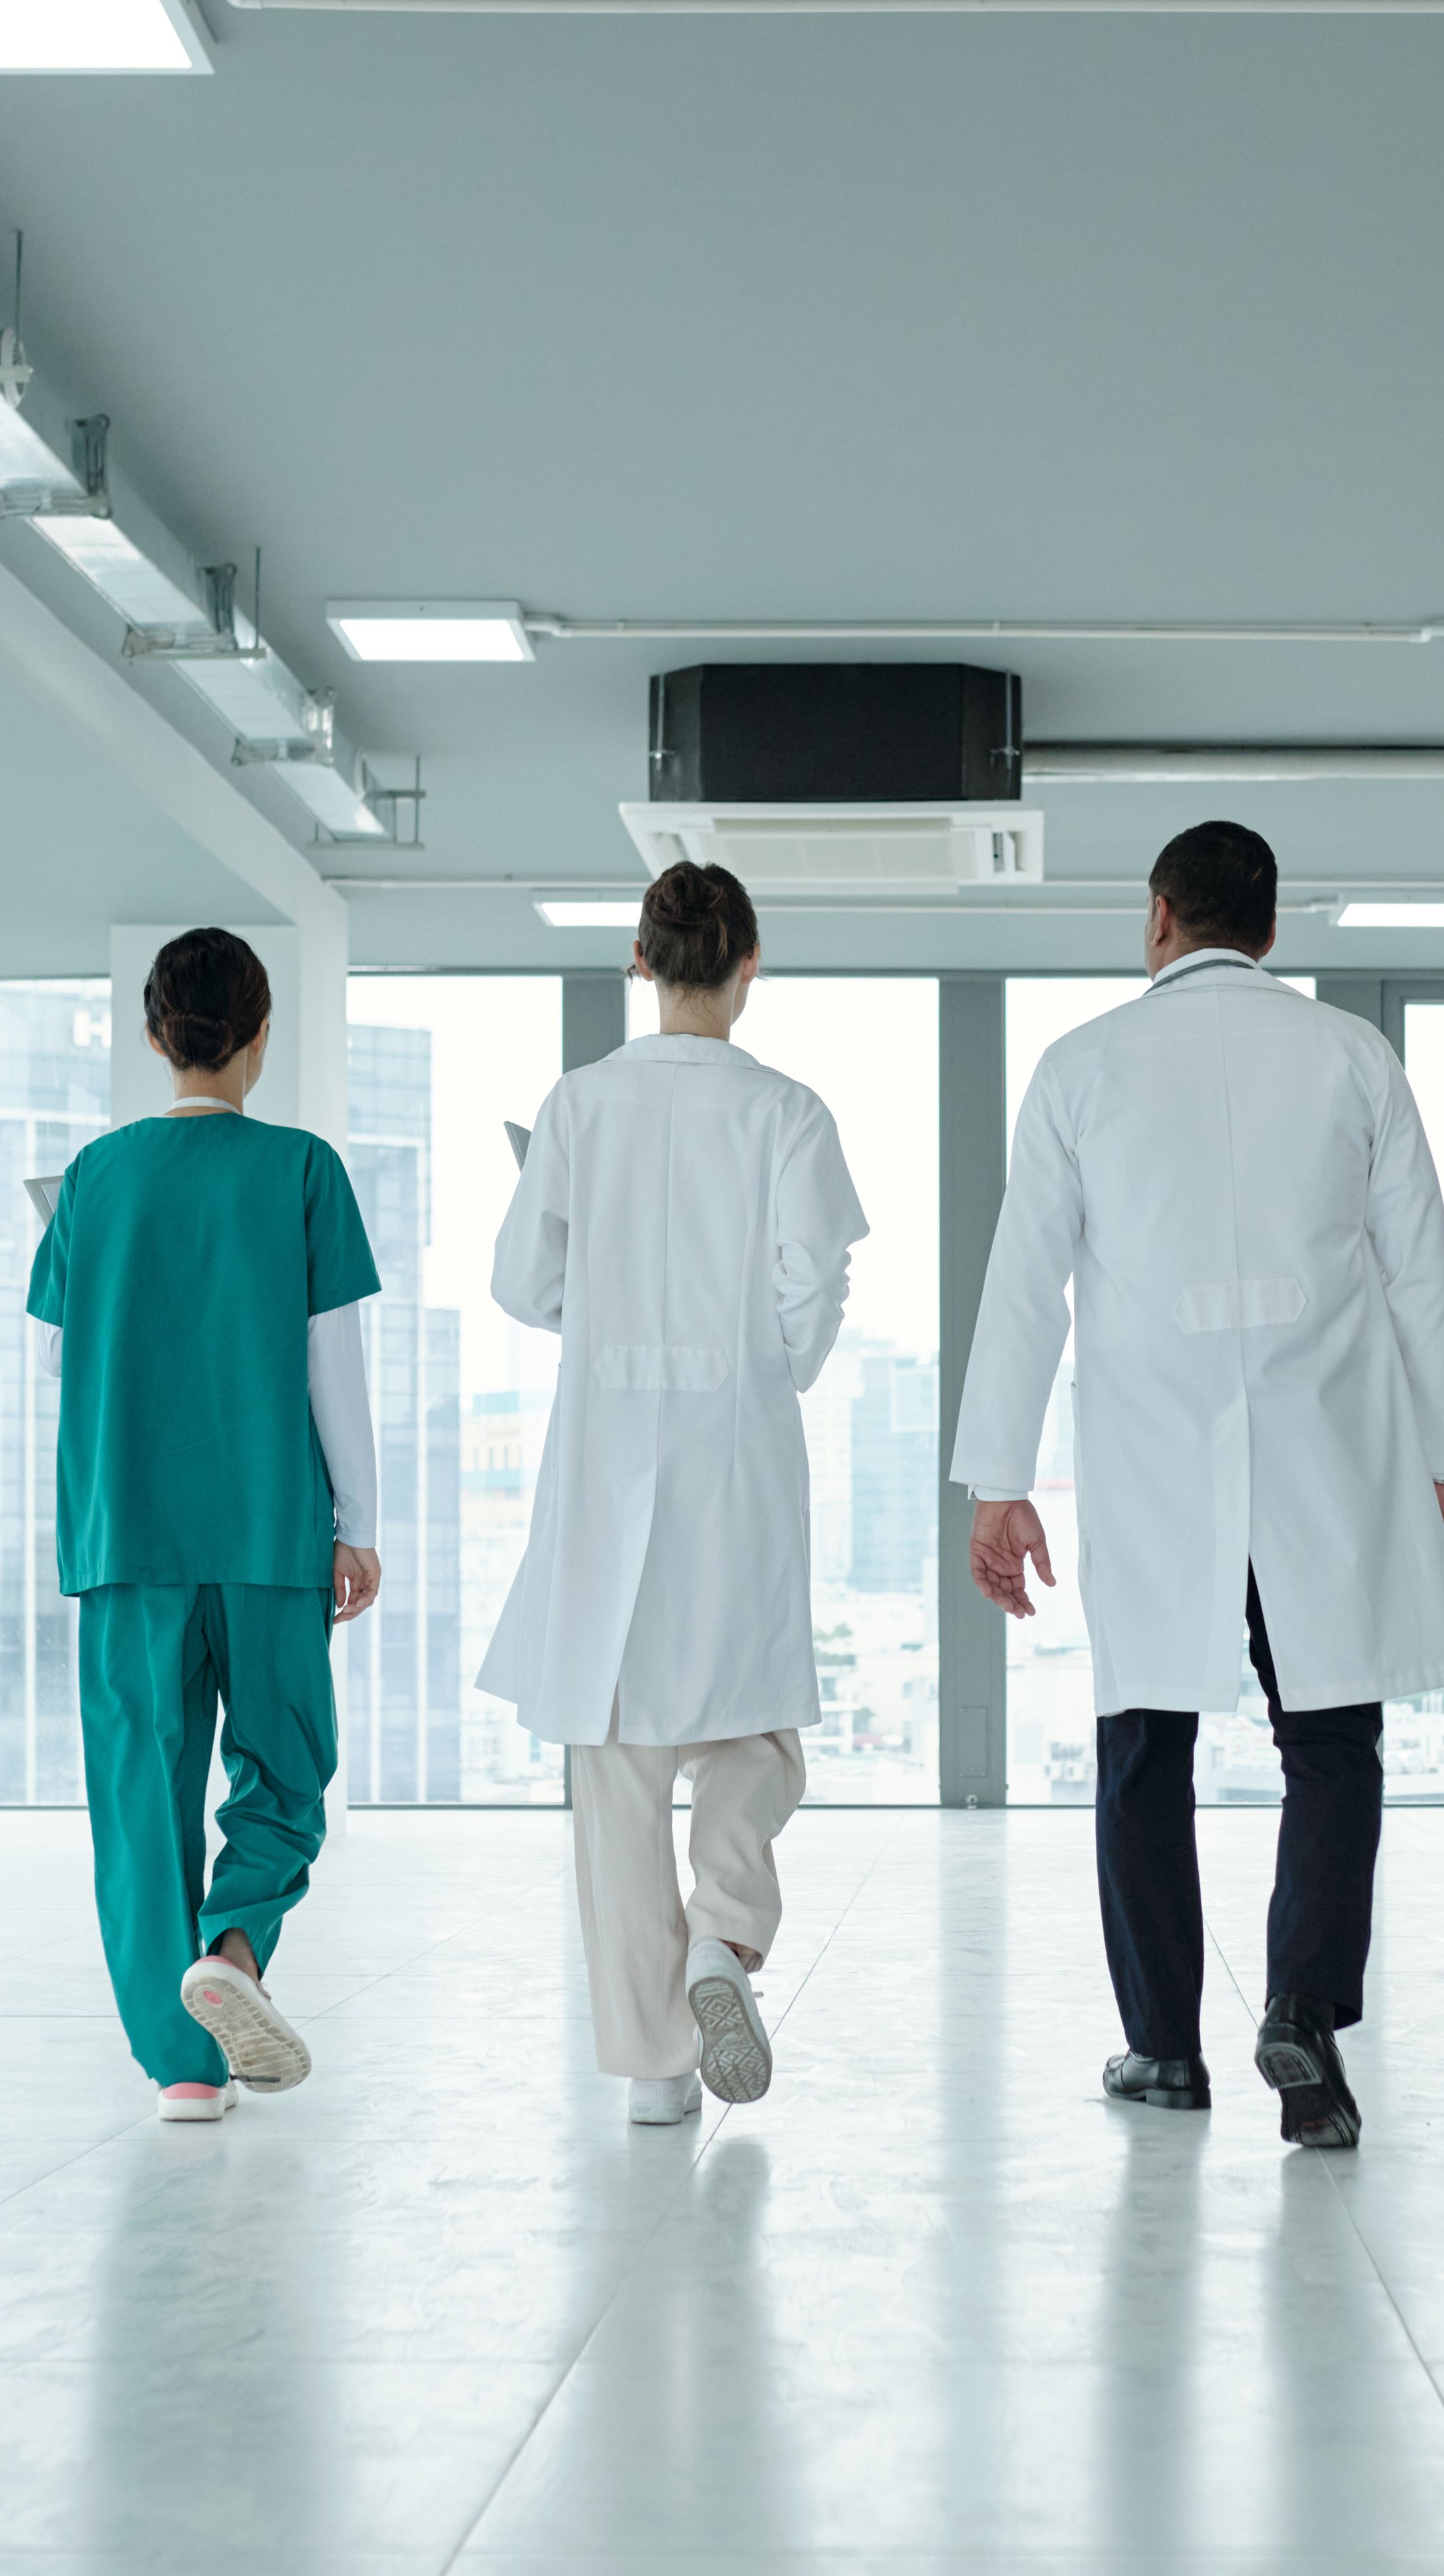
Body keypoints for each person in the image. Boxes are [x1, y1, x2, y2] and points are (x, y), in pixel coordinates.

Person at [952, 820, 1444, 2150]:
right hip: (1329, 1448)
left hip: (1155, 1456)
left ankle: (1164, 2050)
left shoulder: (1082, 1067)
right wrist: (1443, 1458)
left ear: (1158, 917)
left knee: (1145, 1744)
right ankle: (1303, 2007)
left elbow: (1024, 1283)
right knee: (1333, 1740)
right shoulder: (1352, 1057)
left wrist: (999, 1482)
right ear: (1270, 925)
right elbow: (1421, 1268)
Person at [480, 863, 865, 2128]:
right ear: (749, 964)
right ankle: (726, 1933)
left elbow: (522, 1285)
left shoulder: (578, 1106)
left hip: (606, 1456)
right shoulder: (788, 1112)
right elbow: (814, 1283)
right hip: (737, 1452)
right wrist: (773, 1360)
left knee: (619, 1768)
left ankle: (654, 2072)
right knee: (756, 1731)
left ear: (640, 963)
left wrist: (598, 1308)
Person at [27, 927, 386, 2124]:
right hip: (270, 1527)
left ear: (153, 1035)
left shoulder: (92, 1178)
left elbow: (60, 1353)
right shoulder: (303, 1169)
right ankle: (233, 1948)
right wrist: (357, 1522)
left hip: (125, 1532)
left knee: (140, 1791)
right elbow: (335, 1366)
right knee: (286, 1766)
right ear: (261, 1034)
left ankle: (182, 2067)